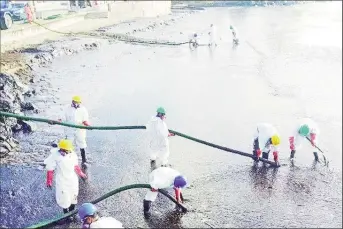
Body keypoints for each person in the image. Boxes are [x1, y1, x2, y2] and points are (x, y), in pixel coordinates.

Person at [44, 139, 87, 219]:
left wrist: (81, 174)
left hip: (72, 180)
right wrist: (49, 181)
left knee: (73, 197)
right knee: (64, 199)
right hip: (62, 181)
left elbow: (75, 166)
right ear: (61, 149)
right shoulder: (55, 156)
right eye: (64, 150)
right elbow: (50, 169)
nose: (66, 152)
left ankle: (72, 213)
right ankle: (66, 215)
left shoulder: (72, 154)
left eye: (67, 150)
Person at [60, 96, 91, 166]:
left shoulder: (83, 109)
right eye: (74, 102)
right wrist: (57, 121)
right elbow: (62, 118)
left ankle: (84, 160)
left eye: (77, 102)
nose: (76, 104)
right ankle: (67, 159)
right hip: (69, 129)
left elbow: (85, 120)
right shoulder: (67, 108)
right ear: (72, 101)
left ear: (80, 103)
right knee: (68, 143)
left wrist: (87, 125)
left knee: (82, 143)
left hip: (80, 129)